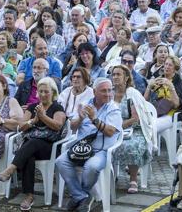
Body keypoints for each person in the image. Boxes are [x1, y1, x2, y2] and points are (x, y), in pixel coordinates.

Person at [0, 77, 65, 210]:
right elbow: (20, 127)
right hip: (30, 148)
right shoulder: (32, 107)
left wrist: (43, 117)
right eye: (41, 91)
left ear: (53, 92)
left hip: (49, 147)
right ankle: (29, 196)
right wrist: (33, 121)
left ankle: (10, 170)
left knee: (32, 143)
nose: (43, 94)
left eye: (46, 92)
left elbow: (58, 126)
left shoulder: (57, 107)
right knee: (29, 156)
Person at [56, 77, 123, 212]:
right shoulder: (85, 104)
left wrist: (94, 118)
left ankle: (80, 195)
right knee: (60, 161)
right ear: (94, 91)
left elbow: (110, 132)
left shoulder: (113, 108)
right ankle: (82, 196)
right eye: (104, 91)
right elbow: (73, 127)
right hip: (81, 148)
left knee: (91, 167)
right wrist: (80, 118)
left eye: (110, 90)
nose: (108, 94)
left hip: (101, 150)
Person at [112, 64, 157, 194]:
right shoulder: (109, 93)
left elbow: (135, 119)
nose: (115, 77)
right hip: (113, 129)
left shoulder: (131, 93)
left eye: (118, 74)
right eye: (113, 74)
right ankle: (110, 176)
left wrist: (118, 126)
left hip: (134, 129)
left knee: (132, 146)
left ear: (126, 78)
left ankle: (133, 179)